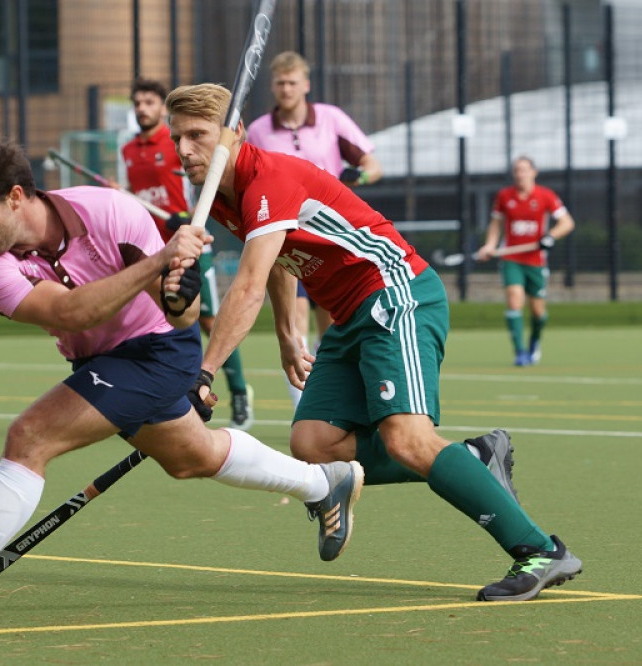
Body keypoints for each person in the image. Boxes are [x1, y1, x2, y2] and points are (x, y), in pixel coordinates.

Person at [0, 137, 362, 633]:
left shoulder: (109, 213)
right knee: (192, 458)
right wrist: (156, 261)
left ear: (16, 196)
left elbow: (183, 313)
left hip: (159, 348)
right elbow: (69, 312)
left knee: (31, 436)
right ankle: (324, 483)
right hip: (97, 357)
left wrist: (177, 290)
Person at [165, 83, 582, 602]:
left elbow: (246, 284)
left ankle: (540, 550)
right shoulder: (223, 196)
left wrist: (203, 374)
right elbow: (275, 262)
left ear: (235, 133)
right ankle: (473, 458)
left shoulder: (267, 177)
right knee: (314, 444)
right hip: (347, 315)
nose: (183, 150)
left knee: (407, 438)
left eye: (197, 136)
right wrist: (287, 334)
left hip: (395, 293)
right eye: (176, 137)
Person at [246, 51, 383, 407]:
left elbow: (372, 164)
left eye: (293, 82)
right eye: (280, 82)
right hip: (285, 236)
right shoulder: (259, 130)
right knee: (294, 319)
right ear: (273, 87)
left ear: (305, 85)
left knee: (334, 322)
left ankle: (333, 396)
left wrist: (361, 175)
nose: (286, 89)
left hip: (332, 235)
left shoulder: (331, 119)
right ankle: (304, 406)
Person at [121, 77, 255, 430]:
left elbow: (201, 182)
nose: (142, 109)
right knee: (150, 319)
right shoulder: (129, 150)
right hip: (151, 247)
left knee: (208, 321)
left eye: (149, 102)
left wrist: (188, 213)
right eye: (137, 103)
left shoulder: (180, 141)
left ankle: (239, 393)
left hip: (189, 239)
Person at [477, 156, 575, 366]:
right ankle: (519, 352)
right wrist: (490, 245)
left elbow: (567, 222)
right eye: (517, 171)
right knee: (514, 298)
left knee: (538, 311)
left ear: (534, 172)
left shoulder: (545, 196)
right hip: (510, 257)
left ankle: (534, 343)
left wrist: (551, 236)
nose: (520, 175)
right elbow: (496, 225)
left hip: (536, 260)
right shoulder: (504, 196)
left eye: (524, 170)